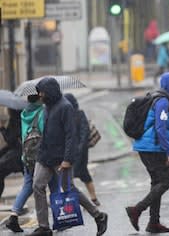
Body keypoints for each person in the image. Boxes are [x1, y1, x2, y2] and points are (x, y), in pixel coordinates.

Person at [28, 77, 108, 236]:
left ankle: (99, 216)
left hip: (61, 158)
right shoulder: (46, 107)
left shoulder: (65, 107)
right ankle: (44, 227)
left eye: (42, 92)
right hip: (45, 156)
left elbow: (71, 136)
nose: (40, 95)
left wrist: (67, 159)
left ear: (49, 92)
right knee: (37, 185)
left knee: (69, 189)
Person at [125, 72, 169, 234]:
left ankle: (153, 223)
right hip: (154, 148)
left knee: (156, 183)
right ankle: (137, 210)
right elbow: (160, 127)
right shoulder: (163, 101)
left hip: (145, 146)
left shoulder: (154, 96)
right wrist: (168, 151)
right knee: (165, 182)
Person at [6, 95, 57, 233]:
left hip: (27, 157)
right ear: (39, 99)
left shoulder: (24, 114)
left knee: (27, 185)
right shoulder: (42, 112)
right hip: (43, 158)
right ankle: (60, 218)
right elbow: (46, 134)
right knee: (54, 185)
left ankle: (13, 215)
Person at [64, 93, 100, 206]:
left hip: (80, 151)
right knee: (71, 176)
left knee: (82, 174)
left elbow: (84, 132)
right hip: (71, 151)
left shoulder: (80, 114)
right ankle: (82, 200)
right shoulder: (66, 116)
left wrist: (80, 148)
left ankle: (92, 199)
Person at [0, 108, 23, 200]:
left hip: (18, 154)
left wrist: (2, 128)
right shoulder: (19, 118)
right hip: (19, 152)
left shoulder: (15, 121)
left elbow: (11, 140)